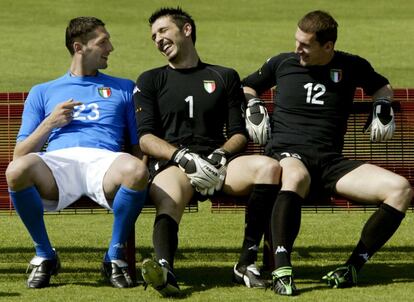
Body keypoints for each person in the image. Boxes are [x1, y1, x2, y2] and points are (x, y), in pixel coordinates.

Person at [242, 10, 413, 296]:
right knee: (294, 176)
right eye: (296, 41)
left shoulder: (352, 65)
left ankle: (353, 267)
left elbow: (381, 86)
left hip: (330, 162)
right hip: (287, 154)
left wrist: (382, 105)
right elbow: (246, 85)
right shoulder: (281, 62)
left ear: (328, 46)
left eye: (305, 45)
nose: (297, 49)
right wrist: (253, 104)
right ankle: (283, 270)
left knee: (401, 189)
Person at [133, 7, 281, 297]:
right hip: (174, 165)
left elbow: (238, 134)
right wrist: (181, 158)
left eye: (163, 31)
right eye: (153, 36)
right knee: (169, 196)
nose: (158, 40)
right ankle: (165, 269)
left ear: (186, 29)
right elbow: (146, 138)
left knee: (269, 168)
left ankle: (246, 263)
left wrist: (221, 155)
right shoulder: (150, 80)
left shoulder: (224, 76)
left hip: (219, 164)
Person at [5, 17, 148, 289]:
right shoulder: (43, 91)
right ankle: (44, 255)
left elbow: (137, 145)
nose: (111, 47)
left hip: (104, 162)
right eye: (103, 42)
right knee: (16, 171)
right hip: (58, 164)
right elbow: (19, 154)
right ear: (79, 47)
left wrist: (141, 177)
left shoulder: (124, 87)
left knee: (137, 170)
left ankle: (114, 257)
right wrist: (50, 123)